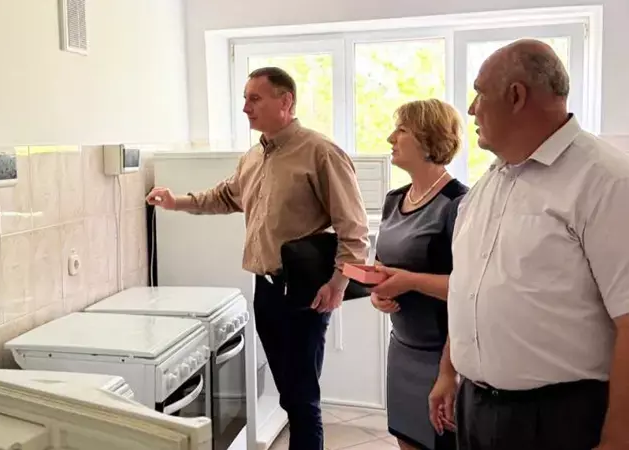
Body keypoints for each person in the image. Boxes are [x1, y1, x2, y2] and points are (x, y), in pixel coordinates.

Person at [146, 67, 369, 450]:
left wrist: (339, 283)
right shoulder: (253, 156)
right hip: (265, 291)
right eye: (245, 98)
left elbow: (354, 228)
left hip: (304, 293)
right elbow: (224, 196)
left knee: (301, 399)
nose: (246, 107)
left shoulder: (320, 152)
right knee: (290, 395)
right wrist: (175, 201)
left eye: (255, 98)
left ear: (286, 101)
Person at [429, 39, 629, 450]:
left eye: (479, 93)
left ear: (516, 96)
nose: (471, 109)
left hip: (559, 419)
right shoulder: (488, 184)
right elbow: (470, 289)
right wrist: (449, 370)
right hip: (476, 408)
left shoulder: (606, 182)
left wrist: (618, 437)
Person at [369, 99, 467, 450]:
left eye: (402, 130)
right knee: (406, 438)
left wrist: (409, 281)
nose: (390, 138)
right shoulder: (393, 199)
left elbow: (469, 288)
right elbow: (382, 266)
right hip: (401, 348)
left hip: (443, 355)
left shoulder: (458, 203)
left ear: (428, 139)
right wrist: (378, 292)